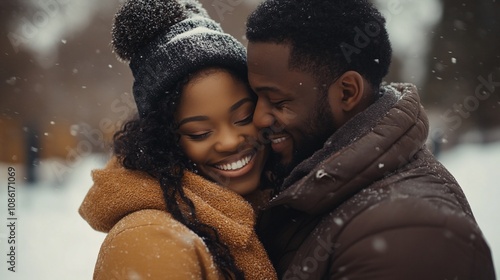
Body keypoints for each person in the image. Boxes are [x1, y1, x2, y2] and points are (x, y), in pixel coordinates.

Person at [245, 0, 496, 279]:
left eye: (278, 101)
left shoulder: (411, 236)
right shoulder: (307, 182)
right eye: (255, 97)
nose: (258, 119)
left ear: (347, 93)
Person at [79, 0, 277, 279]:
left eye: (243, 117)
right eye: (199, 133)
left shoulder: (273, 207)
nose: (230, 141)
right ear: (164, 140)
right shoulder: (151, 242)